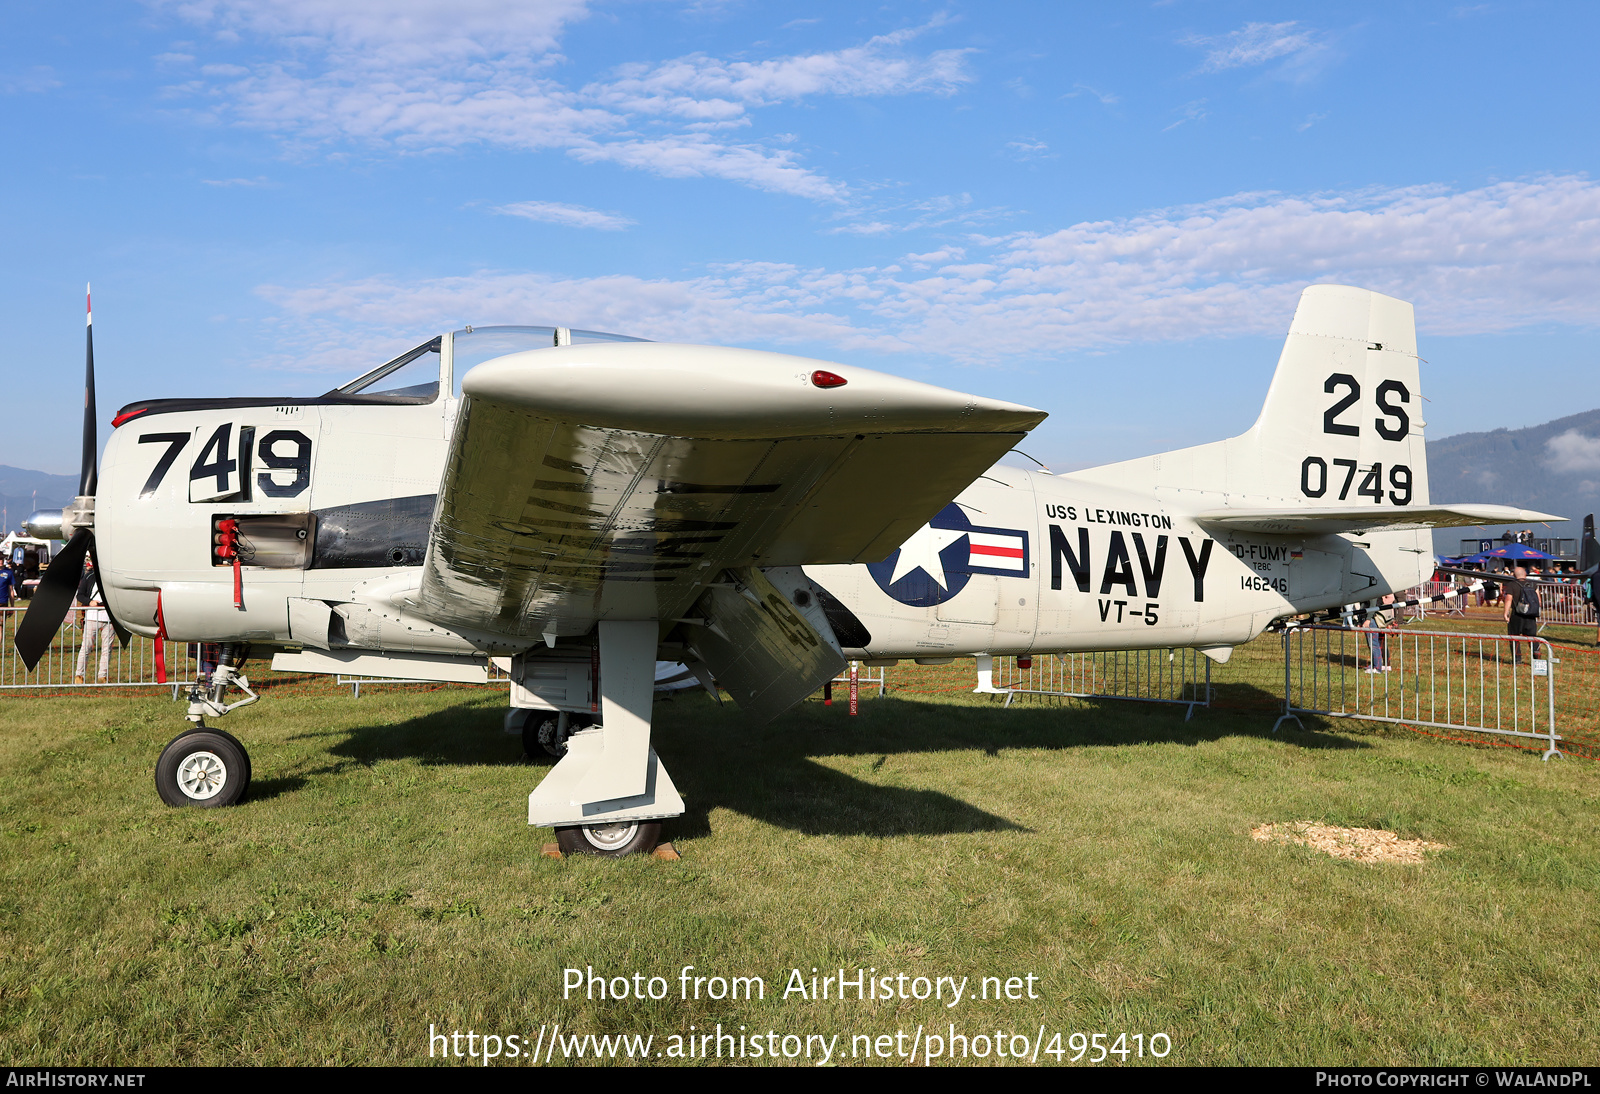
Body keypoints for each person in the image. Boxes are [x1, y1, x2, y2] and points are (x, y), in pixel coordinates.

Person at [74, 557, 115, 685]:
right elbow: (80, 595)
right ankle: (79, 675)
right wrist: (89, 602)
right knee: (86, 647)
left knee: (106, 648)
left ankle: (103, 676)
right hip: (92, 616)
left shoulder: (112, 577)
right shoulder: (88, 576)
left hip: (109, 618)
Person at [1503, 564, 1540, 665]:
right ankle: (1537, 655)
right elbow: (1538, 600)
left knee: (1514, 637)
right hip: (1531, 615)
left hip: (1517, 614)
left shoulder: (1512, 585)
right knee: (1532, 637)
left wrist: (1506, 613)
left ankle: (1517, 659)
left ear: (1514, 575)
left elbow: (1508, 599)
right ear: (1525, 574)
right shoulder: (1533, 584)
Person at [1364, 594, 1395, 673]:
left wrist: (1368, 619)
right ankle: (1375, 664)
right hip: (1374, 617)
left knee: (1375, 644)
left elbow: (1373, 605)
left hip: (1376, 618)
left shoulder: (1374, 591)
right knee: (1373, 644)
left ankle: (1378, 667)